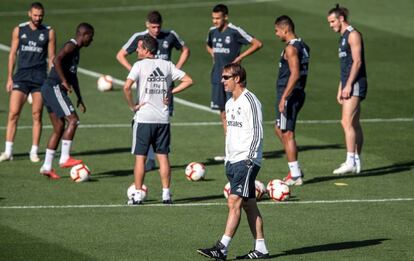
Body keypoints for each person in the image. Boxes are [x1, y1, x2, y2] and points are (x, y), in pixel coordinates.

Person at [197, 64, 269, 260]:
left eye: (226, 77)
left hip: (246, 160)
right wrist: (228, 158)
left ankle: (222, 247)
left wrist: (249, 159)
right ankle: (261, 248)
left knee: (234, 201)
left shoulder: (250, 101)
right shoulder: (230, 103)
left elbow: (258, 133)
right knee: (249, 204)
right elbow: (230, 134)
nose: (222, 81)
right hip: (232, 160)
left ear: (237, 78)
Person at [116, 10, 190, 171]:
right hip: (147, 86)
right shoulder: (139, 38)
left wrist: (175, 70)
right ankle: (150, 159)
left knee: (162, 118)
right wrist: (136, 73)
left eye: (158, 27)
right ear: (147, 24)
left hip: (165, 88)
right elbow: (120, 55)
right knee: (147, 119)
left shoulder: (170, 35)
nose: (156, 30)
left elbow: (185, 50)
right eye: (153, 27)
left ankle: (151, 158)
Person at [124, 35, 193, 205]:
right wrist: (171, 93)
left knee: (140, 158)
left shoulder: (138, 66)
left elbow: (126, 87)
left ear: (146, 50)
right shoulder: (167, 65)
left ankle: (138, 195)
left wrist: (133, 105)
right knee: (163, 157)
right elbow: (189, 80)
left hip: (143, 119)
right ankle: (166, 194)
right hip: (163, 119)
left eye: (139, 48)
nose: (137, 51)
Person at [0, 2, 56, 163]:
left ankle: (34, 151)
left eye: (40, 15)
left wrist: (51, 79)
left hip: (39, 79)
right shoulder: (19, 30)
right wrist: (10, 77)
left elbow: (51, 58)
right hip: (21, 77)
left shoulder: (49, 32)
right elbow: (12, 54)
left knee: (37, 115)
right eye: (35, 15)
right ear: (29, 14)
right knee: (13, 114)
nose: (38, 18)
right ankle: (8, 151)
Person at [206, 4, 262, 161]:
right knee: (224, 114)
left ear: (226, 17)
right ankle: (230, 150)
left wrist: (240, 57)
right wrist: (214, 55)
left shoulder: (234, 31)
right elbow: (208, 45)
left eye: (218, 18)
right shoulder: (212, 32)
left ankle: (246, 149)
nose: (215, 21)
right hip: (218, 78)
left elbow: (257, 43)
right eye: (213, 18)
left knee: (238, 113)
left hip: (233, 80)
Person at [39, 23, 94, 179]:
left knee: (58, 127)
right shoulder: (71, 45)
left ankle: (47, 166)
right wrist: (63, 81)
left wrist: (79, 97)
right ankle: (64, 158)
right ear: (84, 35)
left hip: (50, 89)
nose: (92, 39)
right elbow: (56, 60)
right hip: (54, 87)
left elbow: (73, 76)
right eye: (91, 36)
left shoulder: (76, 51)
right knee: (73, 120)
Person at [327, 5, 367, 175]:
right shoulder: (342, 37)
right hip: (349, 83)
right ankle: (357, 160)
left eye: (332, 21)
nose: (331, 25)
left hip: (356, 83)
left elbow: (357, 62)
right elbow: (346, 66)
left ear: (341, 18)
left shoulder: (353, 34)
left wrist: (349, 85)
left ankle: (350, 160)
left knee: (346, 122)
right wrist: (340, 87)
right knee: (355, 124)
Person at [273, 15, 310, 186]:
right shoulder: (303, 46)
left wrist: (284, 97)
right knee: (279, 130)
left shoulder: (291, 48)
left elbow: (295, 74)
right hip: (297, 93)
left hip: (289, 95)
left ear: (285, 29)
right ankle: (295, 166)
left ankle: (295, 175)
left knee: (287, 133)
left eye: (277, 30)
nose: (276, 34)